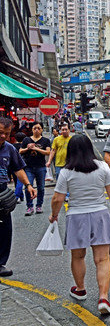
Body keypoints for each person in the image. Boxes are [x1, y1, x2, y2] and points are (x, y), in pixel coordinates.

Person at [48, 134, 110, 315]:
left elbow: (57, 198)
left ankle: (80, 289)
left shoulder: (66, 172)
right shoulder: (103, 167)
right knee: (102, 259)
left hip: (76, 216)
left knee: (78, 256)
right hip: (100, 214)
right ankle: (103, 297)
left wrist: (54, 215)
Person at [0, 117, 37, 277]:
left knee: (5, 229)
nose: (3, 136)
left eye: (6, 134)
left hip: (1, 193)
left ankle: (0, 263)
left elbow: (18, 169)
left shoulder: (9, 149)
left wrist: (28, 185)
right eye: (0, 133)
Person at [19, 122, 51, 215]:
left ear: (41, 130)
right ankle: (29, 206)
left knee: (41, 187)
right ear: (32, 130)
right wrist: (28, 149)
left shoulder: (45, 140)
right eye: (35, 128)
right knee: (28, 187)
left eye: (38, 128)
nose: (36, 130)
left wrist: (36, 149)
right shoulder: (26, 139)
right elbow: (20, 151)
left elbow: (48, 152)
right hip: (28, 167)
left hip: (41, 167)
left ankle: (39, 205)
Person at [46, 124, 72, 201]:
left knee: (68, 180)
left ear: (69, 130)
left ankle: (67, 195)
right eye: (62, 130)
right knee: (59, 180)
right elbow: (53, 150)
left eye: (66, 129)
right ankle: (60, 195)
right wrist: (49, 161)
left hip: (69, 163)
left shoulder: (72, 139)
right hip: (58, 163)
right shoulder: (56, 139)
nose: (64, 131)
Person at [12, 132, 27, 204]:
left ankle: (20, 196)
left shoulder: (12, 146)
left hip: (13, 165)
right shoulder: (24, 146)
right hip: (22, 165)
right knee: (20, 181)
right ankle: (17, 196)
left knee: (17, 181)